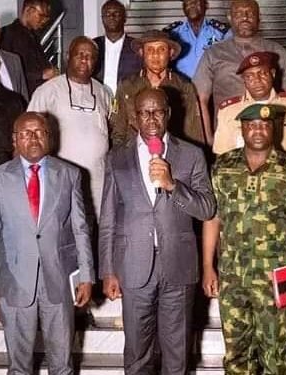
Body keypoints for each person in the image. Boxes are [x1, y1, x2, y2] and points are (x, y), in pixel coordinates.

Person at [99, 88, 216, 375]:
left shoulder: (191, 154)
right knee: (137, 354)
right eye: (144, 112)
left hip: (178, 265)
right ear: (134, 117)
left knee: (176, 355)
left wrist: (173, 185)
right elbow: (109, 217)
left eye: (158, 111)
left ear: (169, 114)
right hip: (133, 266)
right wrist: (108, 270)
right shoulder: (117, 157)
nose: (151, 118)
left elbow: (207, 208)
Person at [202, 103, 286, 374]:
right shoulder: (222, 167)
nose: (258, 131)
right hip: (233, 279)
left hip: (276, 280)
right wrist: (208, 266)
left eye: (264, 125)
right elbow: (213, 219)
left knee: (276, 357)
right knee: (235, 356)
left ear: (274, 129)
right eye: (251, 125)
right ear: (242, 129)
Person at [0, 112, 94, 375]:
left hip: (59, 281)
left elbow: (80, 228)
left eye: (40, 132)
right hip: (14, 282)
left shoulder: (70, 174)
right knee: (19, 366)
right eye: (26, 133)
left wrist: (86, 276)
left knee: (62, 365)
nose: (33, 138)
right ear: (14, 139)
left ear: (49, 137)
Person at [193, 0, 286, 143]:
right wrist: (208, 139)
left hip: (271, 135)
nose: (245, 17)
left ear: (259, 18)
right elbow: (199, 100)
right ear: (229, 17)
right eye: (239, 13)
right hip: (228, 136)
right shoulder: (214, 53)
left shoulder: (276, 51)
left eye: (250, 13)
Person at [28, 36, 112, 219]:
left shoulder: (103, 92)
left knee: (94, 233)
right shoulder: (47, 91)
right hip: (59, 180)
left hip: (98, 181)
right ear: (68, 56)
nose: (84, 60)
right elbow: (27, 138)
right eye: (79, 54)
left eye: (90, 56)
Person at [110, 30, 206, 148]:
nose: (155, 55)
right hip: (134, 155)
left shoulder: (184, 87)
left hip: (173, 155)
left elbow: (194, 134)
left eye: (162, 49)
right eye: (150, 50)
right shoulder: (127, 85)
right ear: (142, 53)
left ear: (170, 53)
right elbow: (117, 130)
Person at [213, 51, 286, 156]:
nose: (257, 80)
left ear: (273, 74)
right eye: (249, 76)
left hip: (285, 169)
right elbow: (222, 154)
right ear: (244, 80)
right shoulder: (228, 110)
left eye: (262, 73)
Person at [0, 0, 59, 96]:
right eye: (42, 15)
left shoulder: (33, 36)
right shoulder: (8, 34)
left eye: (47, 17)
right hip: (20, 98)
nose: (45, 21)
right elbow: (6, 71)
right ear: (28, 10)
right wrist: (41, 74)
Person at [164, 0, 232, 80]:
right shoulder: (172, 33)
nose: (192, 5)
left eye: (196, 1)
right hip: (181, 89)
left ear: (206, 5)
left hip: (212, 88)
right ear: (183, 8)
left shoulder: (221, 32)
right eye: (188, 2)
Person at [92, 0, 143, 95]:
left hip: (127, 103)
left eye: (116, 14)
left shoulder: (136, 46)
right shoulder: (93, 45)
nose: (111, 17)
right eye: (107, 14)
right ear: (102, 19)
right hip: (97, 100)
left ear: (125, 18)